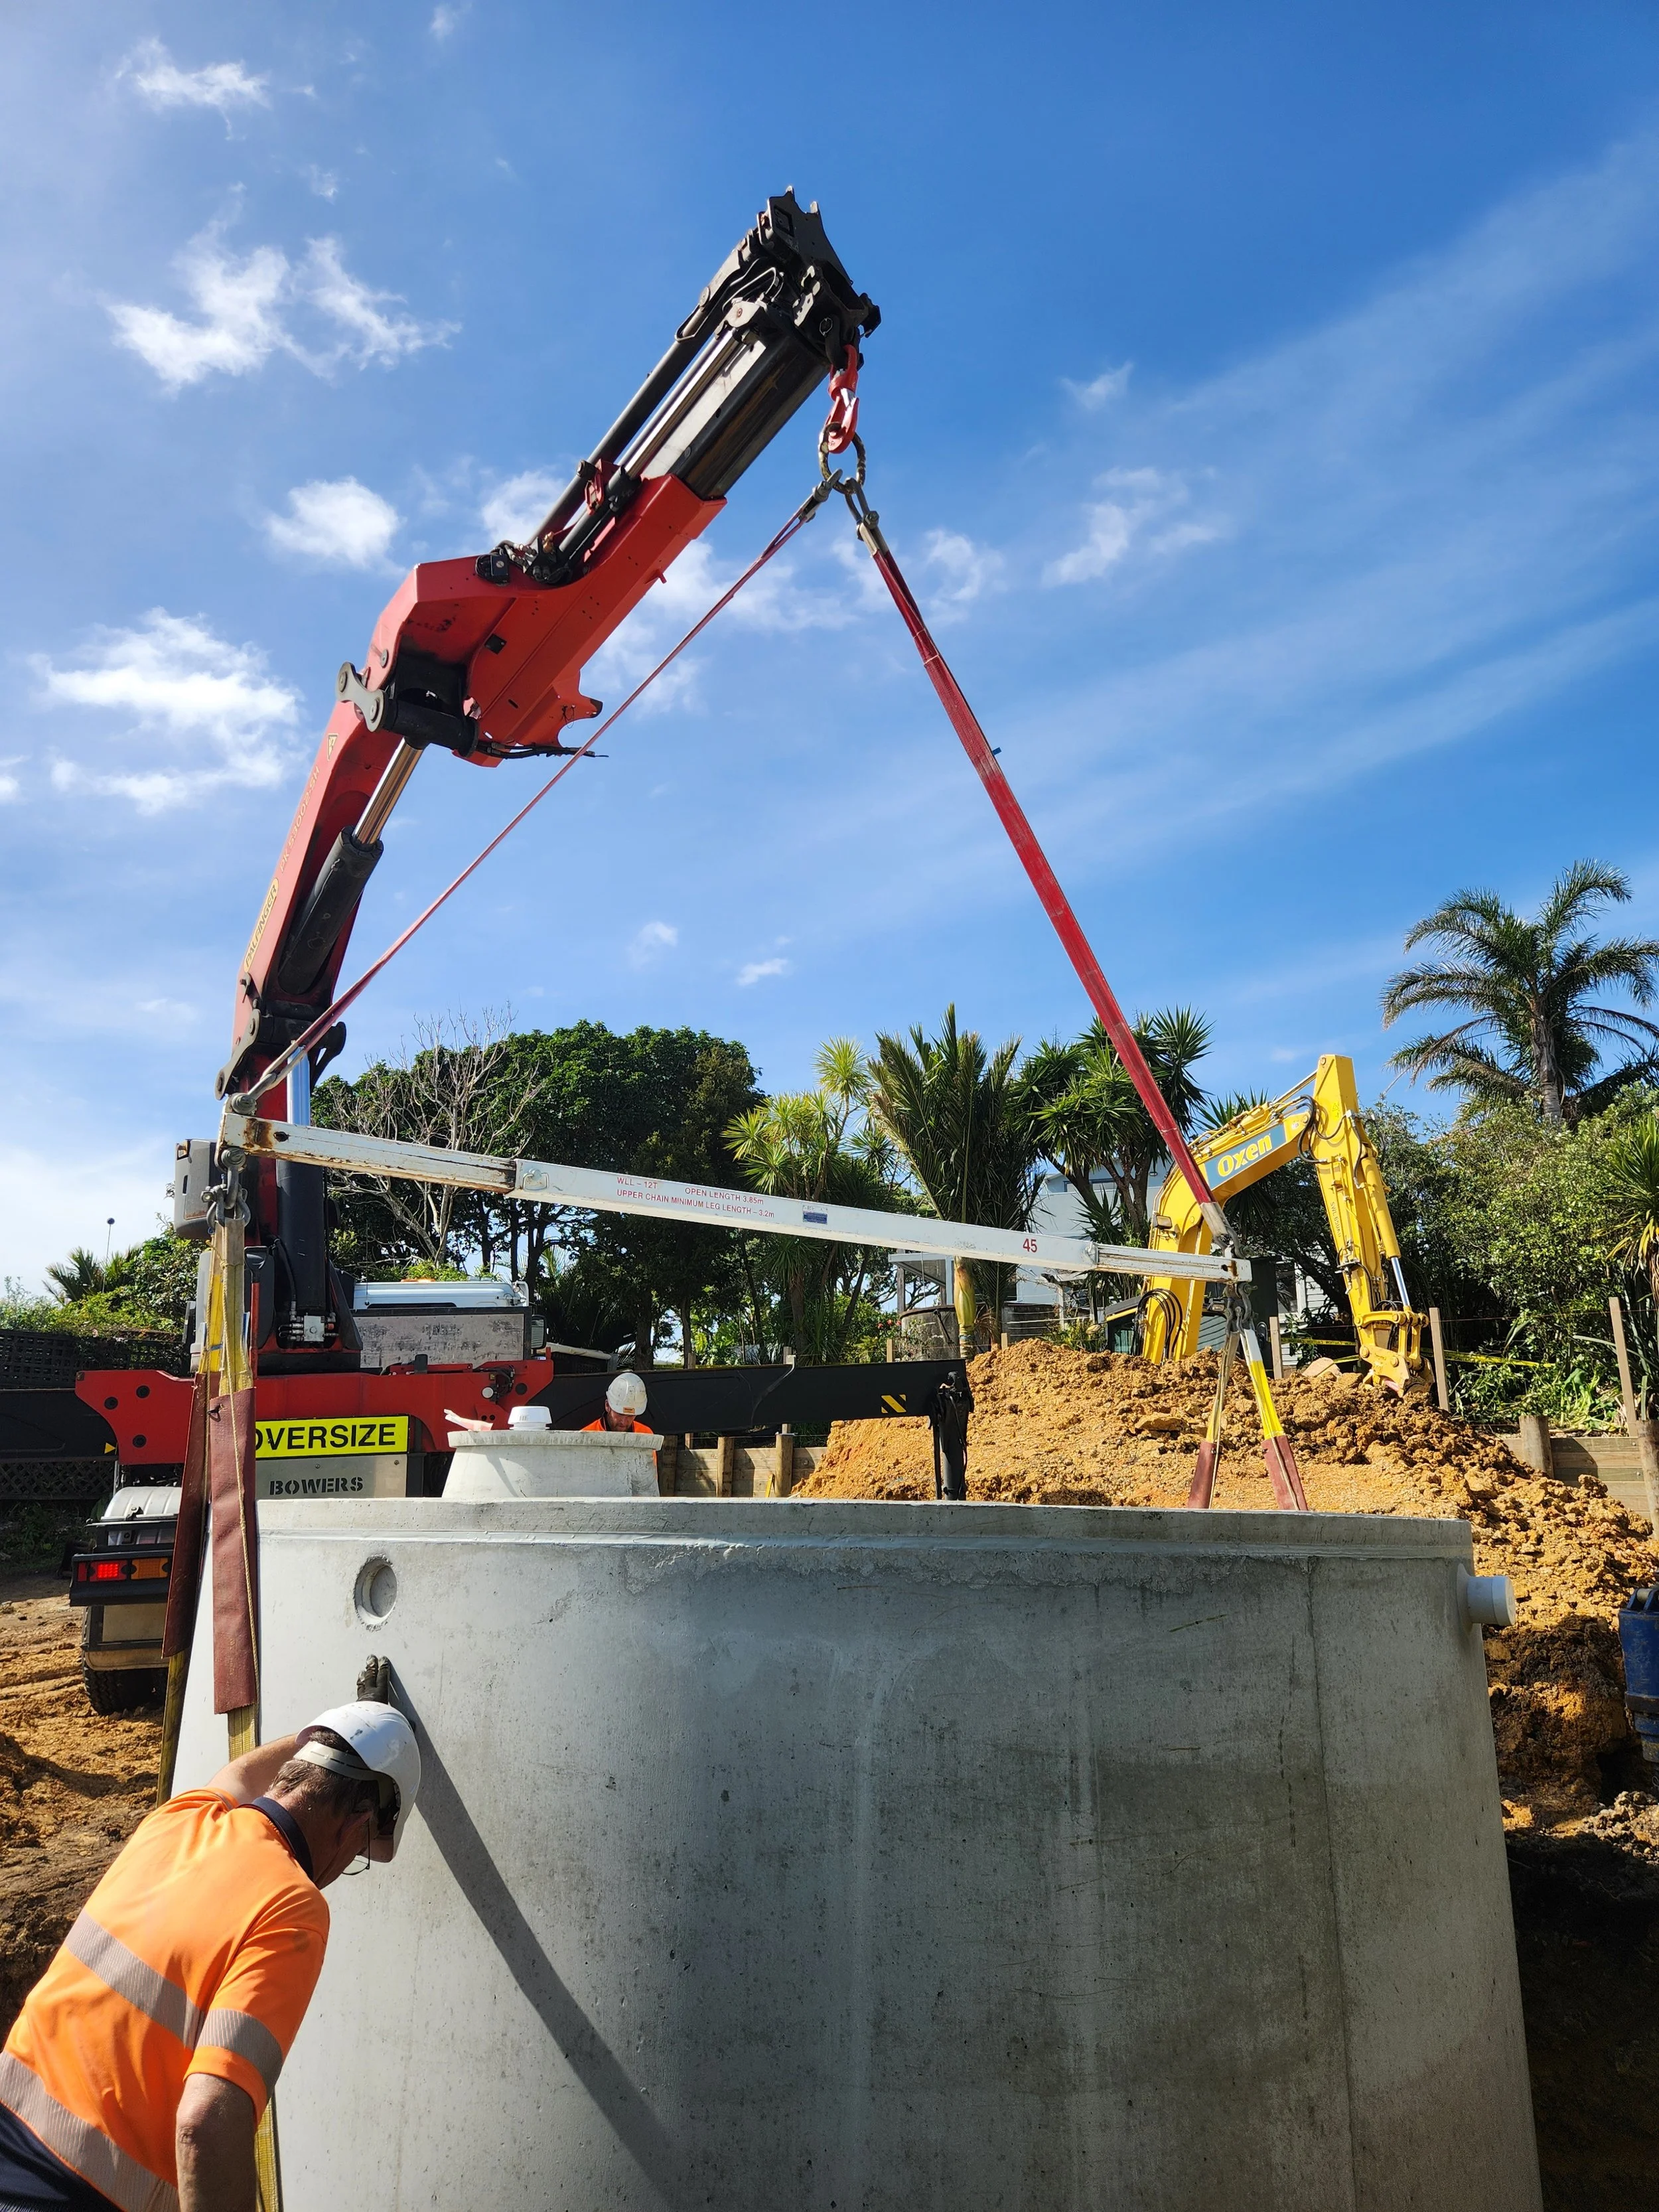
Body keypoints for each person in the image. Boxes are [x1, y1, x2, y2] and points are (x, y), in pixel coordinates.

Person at [0, 1700, 420, 2212]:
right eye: (359, 1853)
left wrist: (336, 1728)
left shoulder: (182, 1818)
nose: (346, 1863)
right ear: (358, 1821)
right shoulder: (293, 1906)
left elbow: (242, 1772)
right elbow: (205, 2123)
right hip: (76, 2198)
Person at [582, 1370, 654, 1436]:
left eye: (630, 1416)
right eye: (620, 1414)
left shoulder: (645, 1434)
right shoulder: (586, 1436)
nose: (624, 1422)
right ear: (607, 1406)